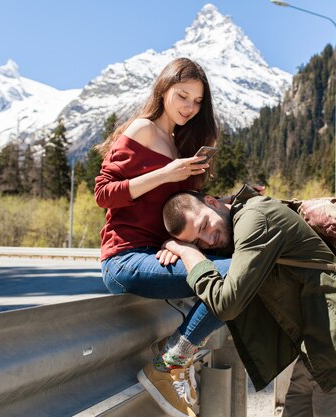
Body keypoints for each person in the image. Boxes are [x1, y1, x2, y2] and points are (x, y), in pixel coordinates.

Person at [160, 185, 336, 417]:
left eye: (204, 226)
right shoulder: (238, 222)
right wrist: (178, 249)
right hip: (316, 355)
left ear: (212, 202)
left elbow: (226, 304)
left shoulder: (255, 219)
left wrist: (189, 254)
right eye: (197, 242)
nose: (208, 239)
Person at [93, 57, 230, 417]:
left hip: (158, 254)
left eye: (197, 102)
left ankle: (174, 361)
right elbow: (104, 193)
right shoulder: (142, 130)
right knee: (232, 276)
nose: (189, 107)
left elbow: (176, 211)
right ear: (163, 89)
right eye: (183, 96)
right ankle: (169, 363)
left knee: (242, 271)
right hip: (123, 258)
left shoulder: (181, 143)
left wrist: (220, 207)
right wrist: (166, 173)